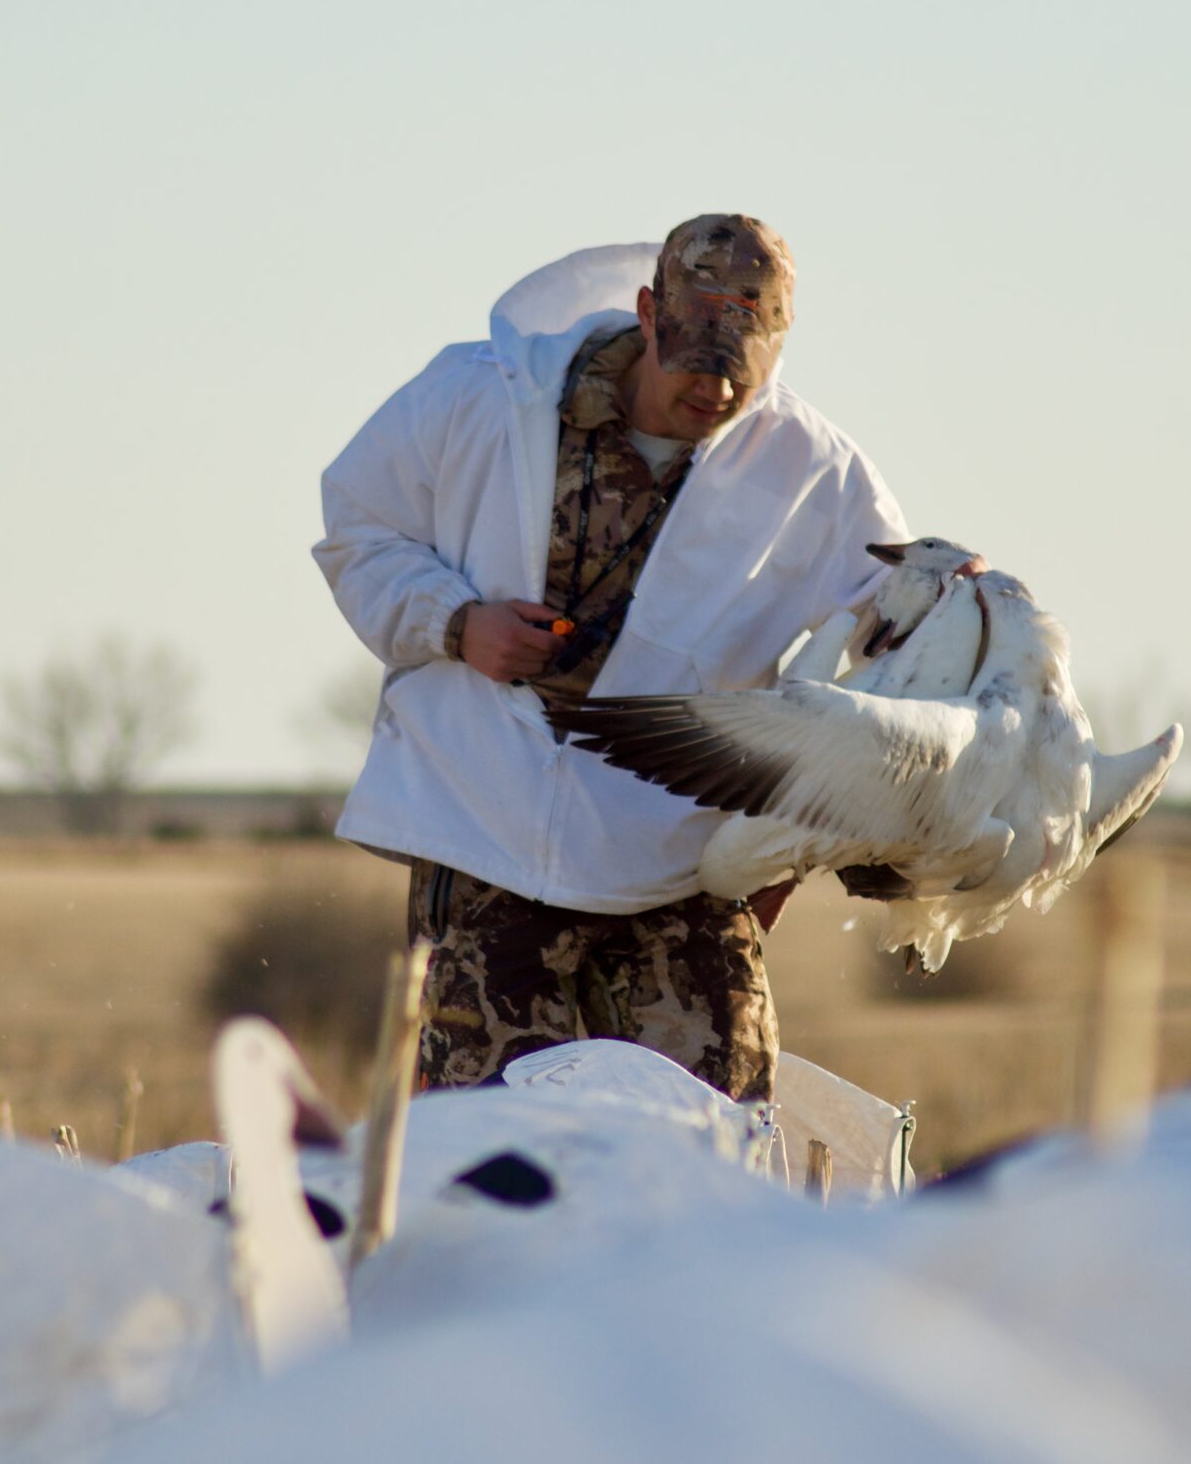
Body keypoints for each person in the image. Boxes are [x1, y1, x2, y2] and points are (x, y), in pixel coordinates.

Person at [313, 216, 906, 1102]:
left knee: (720, 1133)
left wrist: (793, 841)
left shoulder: (818, 472)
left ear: (777, 352)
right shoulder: (477, 397)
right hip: (485, 837)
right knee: (490, 1158)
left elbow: (896, 639)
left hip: (680, 867)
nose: (711, 391)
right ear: (648, 315)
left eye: (738, 373)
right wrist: (458, 622)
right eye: (693, 361)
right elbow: (358, 529)